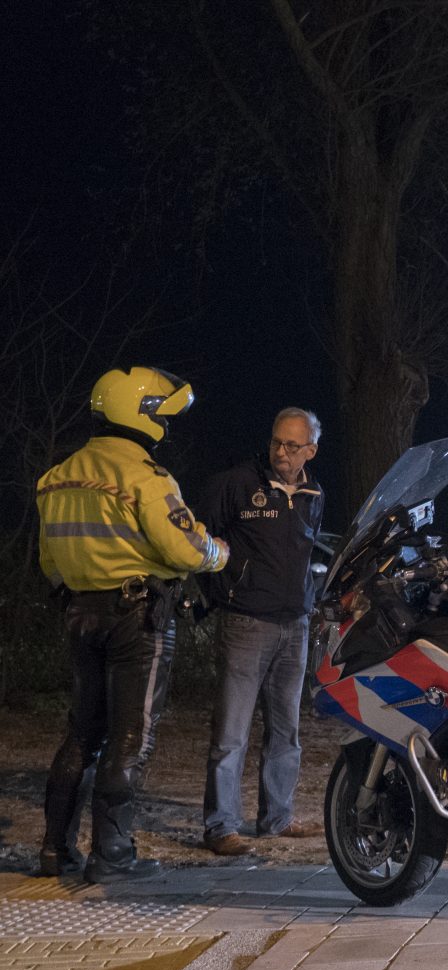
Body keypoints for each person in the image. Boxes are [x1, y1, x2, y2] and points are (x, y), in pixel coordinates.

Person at [35, 367, 229, 881]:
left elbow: (49, 563)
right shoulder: (146, 477)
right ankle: (113, 854)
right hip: (137, 619)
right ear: (142, 416)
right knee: (131, 738)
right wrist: (219, 552)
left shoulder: (56, 477)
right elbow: (183, 548)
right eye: (164, 415)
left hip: (79, 612)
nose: (168, 425)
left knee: (81, 734)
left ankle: (55, 849)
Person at [197, 408, 328, 855]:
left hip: (295, 625)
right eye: (276, 442)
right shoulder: (236, 483)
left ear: (311, 450)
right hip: (246, 622)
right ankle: (220, 827)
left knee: (285, 731)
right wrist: (223, 593)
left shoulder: (314, 492)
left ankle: (277, 819)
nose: (281, 452)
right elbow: (200, 543)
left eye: (293, 446)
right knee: (231, 731)